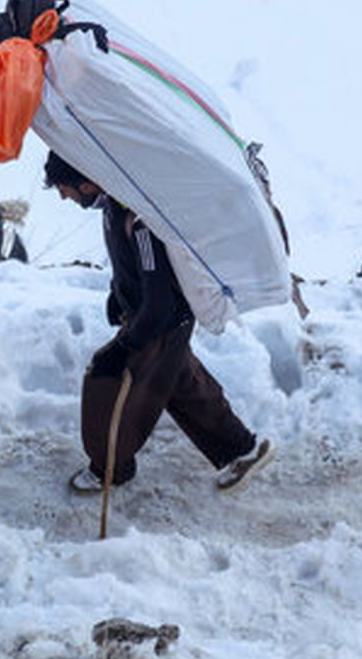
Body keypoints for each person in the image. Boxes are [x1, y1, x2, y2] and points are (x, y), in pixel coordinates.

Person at [42, 151, 275, 495]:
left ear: (86, 182)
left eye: (64, 188)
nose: (64, 196)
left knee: (110, 387)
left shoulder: (139, 219)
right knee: (182, 385)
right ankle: (240, 449)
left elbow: (160, 295)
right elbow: (132, 266)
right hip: (151, 316)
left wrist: (126, 346)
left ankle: (110, 469)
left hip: (160, 320)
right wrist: (117, 294)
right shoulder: (112, 204)